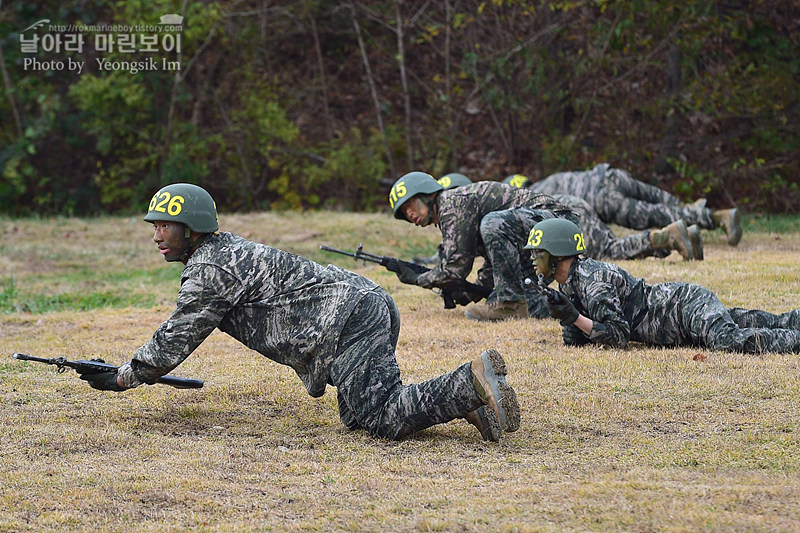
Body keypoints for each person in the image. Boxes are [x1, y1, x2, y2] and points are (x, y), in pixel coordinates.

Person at [77, 183, 521, 442]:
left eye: (163, 226)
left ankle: (470, 381)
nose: (157, 235)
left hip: (349, 320)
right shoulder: (219, 252)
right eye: (154, 225)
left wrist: (122, 377)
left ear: (190, 228)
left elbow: (177, 336)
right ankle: (463, 401)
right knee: (359, 414)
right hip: (358, 308)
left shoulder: (211, 268)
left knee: (378, 416)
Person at [525, 217, 800, 353]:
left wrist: (575, 317)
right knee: (742, 320)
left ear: (559, 253)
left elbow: (620, 336)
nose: (533, 259)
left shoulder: (594, 280)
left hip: (683, 306)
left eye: (538, 252)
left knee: (727, 341)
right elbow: (576, 343)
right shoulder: (570, 283)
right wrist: (565, 317)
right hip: (678, 325)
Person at [389, 171, 577, 321]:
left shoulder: (452, 204)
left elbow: (455, 268)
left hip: (557, 222)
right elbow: (495, 258)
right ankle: (576, 306)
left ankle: (511, 304)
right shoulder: (452, 210)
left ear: (427, 194)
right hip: (545, 229)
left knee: (492, 223)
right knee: (535, 305)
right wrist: (473, 292)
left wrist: (418, 278)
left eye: (410, 204)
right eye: (405, 212)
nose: (409, 213)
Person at [526, 163, 742, 246]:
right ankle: (692, 209)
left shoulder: (532, 197)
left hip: (604, 199)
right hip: (611, 175)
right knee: (655, 196)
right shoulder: (549, 179)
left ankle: (715, 217)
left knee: (655, 215)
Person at [551, 193, 703, 261]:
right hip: (568, 203)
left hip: (563, 211)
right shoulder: (534, 189)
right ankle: (685, 236)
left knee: (610, 251)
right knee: (611, 247)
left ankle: (669, 236)